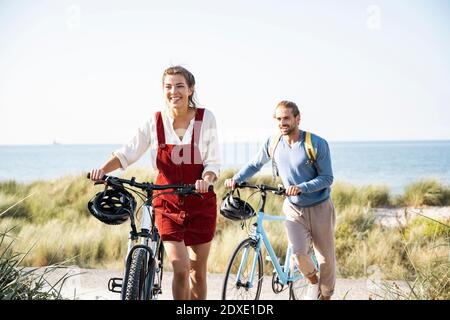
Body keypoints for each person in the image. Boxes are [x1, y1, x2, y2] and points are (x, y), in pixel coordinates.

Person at [90, 66, 220, 300]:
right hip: (167, 204)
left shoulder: (205, 118)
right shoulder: (155, 120)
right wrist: (102, 170)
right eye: (168, 86)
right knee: (180, 270)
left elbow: (213, 162)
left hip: (200, 202)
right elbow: (127, 152)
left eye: (180, 86)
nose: (174, 91)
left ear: (190, 89)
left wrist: (206, 179)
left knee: (197, 274)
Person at [224, 100, 335, 300]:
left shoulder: (316, 143)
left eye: (286, 118)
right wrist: (237, 179)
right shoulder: (273, 143)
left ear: (297, 119)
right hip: (293, 208)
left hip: (320, 207)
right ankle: (312, 282)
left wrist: (301, 187)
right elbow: (255, 163)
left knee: (325, 259)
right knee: (298, 254)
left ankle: (326, 296)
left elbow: (327, 178)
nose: (282, 122)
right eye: (279, 119)